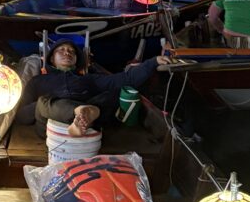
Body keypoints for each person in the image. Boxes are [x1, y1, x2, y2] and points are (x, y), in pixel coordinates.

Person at [17, 40, 172, 136]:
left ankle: (86, 114)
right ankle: (83, 112)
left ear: (76, 61)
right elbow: (22, 115)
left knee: (115, 91)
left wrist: (153, 62)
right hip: (51, 127)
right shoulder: (38, 81)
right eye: (61, 50)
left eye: (71, 52)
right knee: (43, 102)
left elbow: (125, 78)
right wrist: (46, 105)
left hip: (87, 125)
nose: (67, 53)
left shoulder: (88, 79)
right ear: (52, 58)